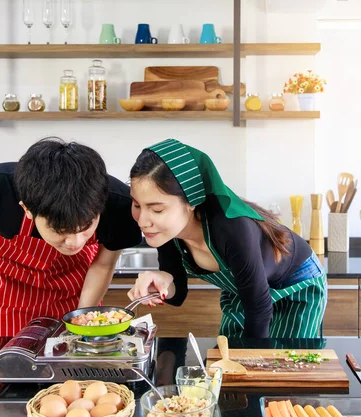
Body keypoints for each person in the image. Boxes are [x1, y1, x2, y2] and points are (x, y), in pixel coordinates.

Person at [0, 137, 142, 369]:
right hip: (5, 296)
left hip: (76, 290)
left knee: (72, 378)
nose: (75, 242)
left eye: (86, 227)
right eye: (60, 231)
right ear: (27, 209)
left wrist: (80, 321)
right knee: (8, 372)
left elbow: (103, 265)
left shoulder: (118, 204)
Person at [127, 138, 327, 338]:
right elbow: (177, 294)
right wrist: (163, 281)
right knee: (228, 361)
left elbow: (259, 308)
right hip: (249, 294)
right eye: (136, 205)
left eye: (156, 209)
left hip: (296, 285)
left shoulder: (232, 228)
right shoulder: (167, 232)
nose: (143, 221)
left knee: (282, 364)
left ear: (191, 201)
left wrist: (253, 362)